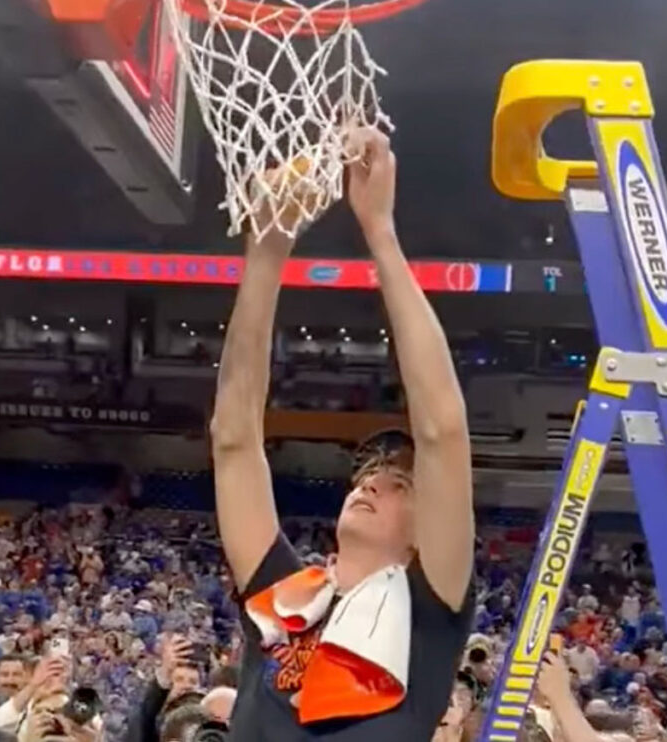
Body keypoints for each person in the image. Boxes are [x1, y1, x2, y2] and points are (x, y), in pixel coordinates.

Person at [210, 128, 475, 740]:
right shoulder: (285, 601)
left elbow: (442, 430)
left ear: (422, 539)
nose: (372, 483)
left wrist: (379, 231)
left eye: (398, 482)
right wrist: (269, 247)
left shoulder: (430, 610)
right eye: (366, 476)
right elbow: (233, 439)